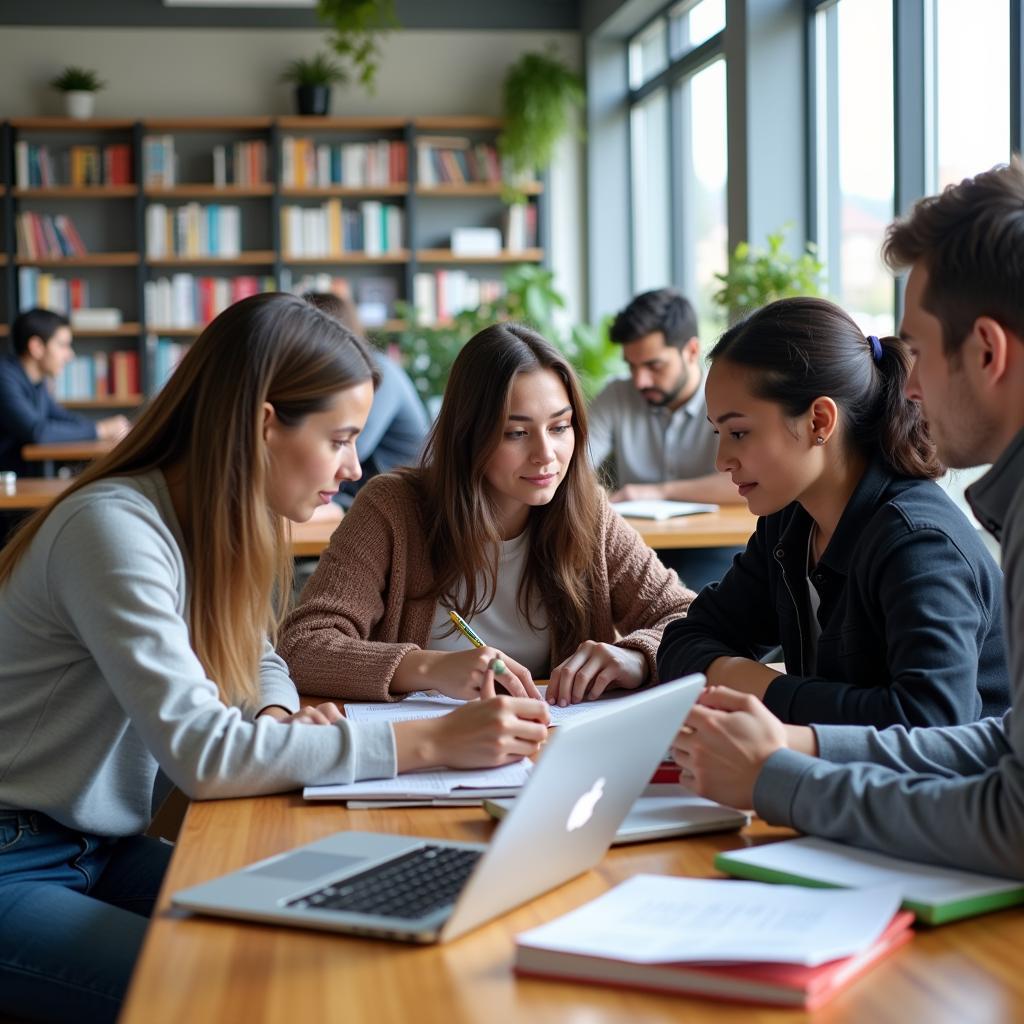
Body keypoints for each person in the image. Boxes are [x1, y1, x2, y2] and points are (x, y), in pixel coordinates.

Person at [0, 294, 549, 1023]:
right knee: (243, 994)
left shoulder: (206, 523)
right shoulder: (113, 531)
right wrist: (432, 740)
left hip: (98, 849)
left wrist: (277, 712)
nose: (355, 466)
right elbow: (204, 756)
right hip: (17, 857)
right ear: (265, 425)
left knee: (325, 937)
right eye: (340, 437)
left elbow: (257, 656)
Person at [671, 160, 1024, 878]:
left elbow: (976, 771)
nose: (911, 383)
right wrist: (798, 747)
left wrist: (777, 754)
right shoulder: (791, 522)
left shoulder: (923, 540)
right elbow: (999, 744)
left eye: (919, 350)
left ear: (986, 350)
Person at [279, 321, 695, 709]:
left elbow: (689, 619)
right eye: (517, 433)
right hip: (426, 755)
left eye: (560, 427)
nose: (545, 455)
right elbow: (302, 646)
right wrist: (430, 668)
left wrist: (637, 657)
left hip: (546, 750)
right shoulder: (393, 507)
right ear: (468, 434)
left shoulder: (588, 514)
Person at [657, 295, 1007, 728]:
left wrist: (754, 684)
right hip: (838, 787)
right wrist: (735, 674)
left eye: (740, 432)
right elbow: (685, 638)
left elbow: (932, 723)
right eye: (718, 433)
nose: (722, 459)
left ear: (820, 421)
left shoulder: (918, 542)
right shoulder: (789, 521)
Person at [587, 288, 742, 589]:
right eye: (632, 366)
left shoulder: (728, 396)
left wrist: (656, 491)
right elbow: (576, 462)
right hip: (639, 548)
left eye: (654, 366)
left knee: (696, 611)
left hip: (717, 547)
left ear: (692, 351)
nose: (640, 380)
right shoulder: (617, 396)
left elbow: (741, 483)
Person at [303, 290, 429, 513]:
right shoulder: (345, 380)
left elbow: (347, 453)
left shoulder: (375, 375)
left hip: (407, 503)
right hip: (365, 492)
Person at [0, 308, 130, 477]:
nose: (70, 355)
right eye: (63, 345)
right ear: (37, 347)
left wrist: (106, 428)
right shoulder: (4, 378)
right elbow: (38, 432)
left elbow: (61, 416)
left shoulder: (35, 382)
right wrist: (101, 429)